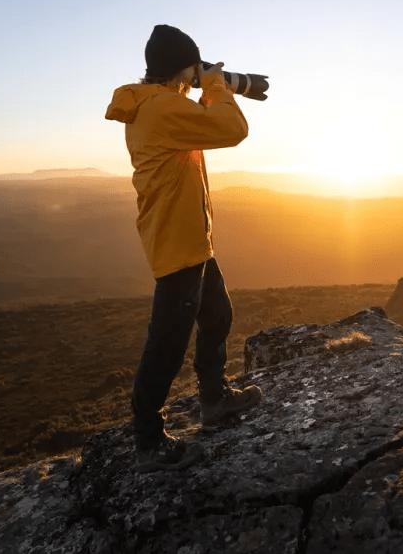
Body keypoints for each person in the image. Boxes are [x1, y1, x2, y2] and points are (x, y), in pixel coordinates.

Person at [105, 25, 262, 472]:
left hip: (192, 239)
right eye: (194, 66)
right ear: (184, 66)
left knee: (218, 315)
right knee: (167, 343)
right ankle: (148, 441)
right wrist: (214, 82)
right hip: (178, 243)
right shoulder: (160, 109)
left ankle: (214, 400)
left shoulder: (159, 104)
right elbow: (233, 129)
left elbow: (204, 122)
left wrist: (207, 84)